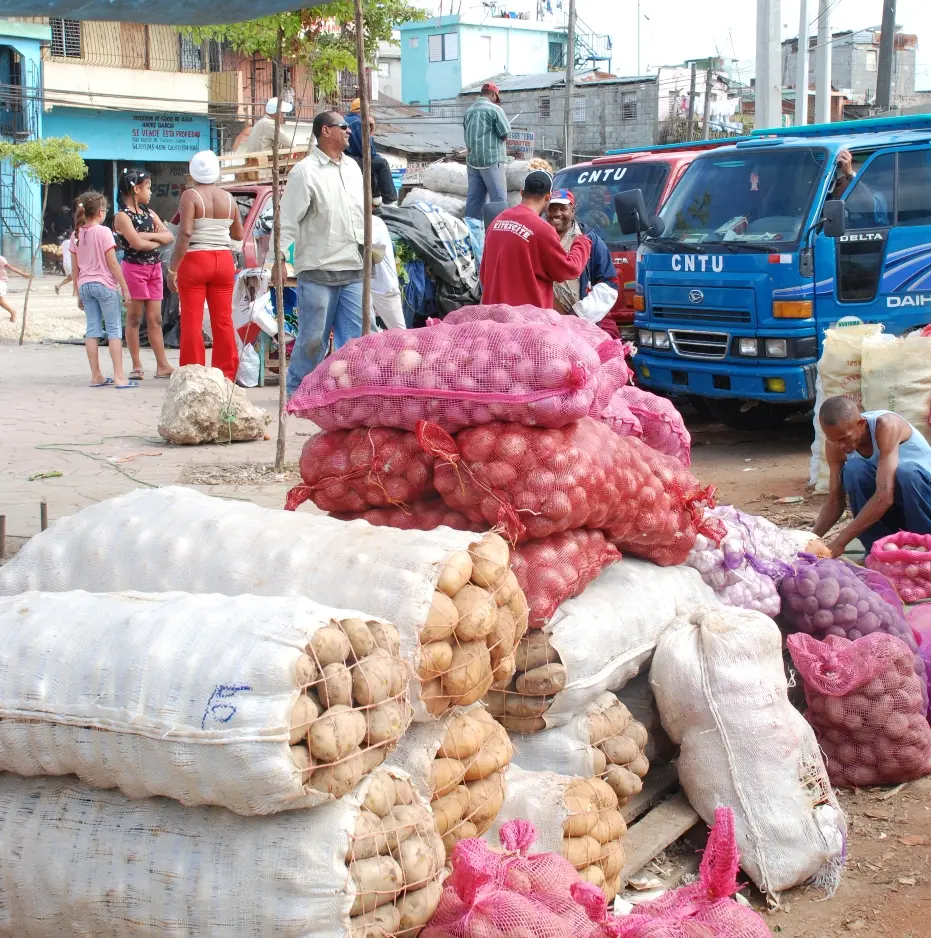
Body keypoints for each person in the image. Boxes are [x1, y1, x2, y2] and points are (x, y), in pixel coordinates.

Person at [280, 109, 365, 397]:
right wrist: (278, 257)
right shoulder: (305, 171)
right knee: (313, 339)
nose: (349, 131)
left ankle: (345, 396)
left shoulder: (353, 168)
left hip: (353, 267)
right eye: (343, 126)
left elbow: (362, 215)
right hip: (317, 268)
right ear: (326, 131)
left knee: (354, 341)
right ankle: (298, 392)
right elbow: (288, 218)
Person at [813, 396, 931, 557]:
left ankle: (925, 547)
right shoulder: (834, 445)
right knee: (853, 470)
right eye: (833, 439)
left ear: (861, 424)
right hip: (896, 506)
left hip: (923, 501)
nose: (840, 445)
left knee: (906, 473)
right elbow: (835, 502)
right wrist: (810, 539)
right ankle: (878, 551)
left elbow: (884, 495)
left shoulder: (886, 426)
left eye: (845, 438)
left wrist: (841, 541)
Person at [166, 150, 243, 382]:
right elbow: (238, 233)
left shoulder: (190, 196)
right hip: (223, 260)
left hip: (196, 260)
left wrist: (173, 269)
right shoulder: (229, 198)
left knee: (192, 318)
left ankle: (193, 374)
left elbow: (185, 233)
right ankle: (226, 375)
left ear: (193, 172)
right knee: (223, 319)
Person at [480, 170, 591, 308]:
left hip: (494, 318)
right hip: (527, 322)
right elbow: (568, 269)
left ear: (521, 192)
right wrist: (582, 243)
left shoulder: (496, 223)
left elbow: (483, 274)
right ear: (548, 196)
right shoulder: (543, 230)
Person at [113, 167, 175, 381]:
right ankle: (136, 365)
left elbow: (168, 236)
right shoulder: (122, 216)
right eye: (148, 188)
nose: (150, 192)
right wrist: (153, 239)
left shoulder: (149, 213)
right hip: (134, 270)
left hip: (154, 269)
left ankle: (162, 365)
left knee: (155, 319)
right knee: (134, 318)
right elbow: (136, 244)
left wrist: (146, 235)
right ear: (136, 189)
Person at [70, 190, 135, 388]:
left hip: (85, 285)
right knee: (114, 329)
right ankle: (119, 377)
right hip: (104, 285)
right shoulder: (104, 232)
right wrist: (124, 288)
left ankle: (96, 375)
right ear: (100, 212)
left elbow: (75, 267)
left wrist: (77, 292)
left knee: (92, 330)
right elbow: (113, 264)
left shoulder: (76, 234)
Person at [547, 187, 619, 330]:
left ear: (573, 210)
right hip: (547, 323)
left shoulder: (590, 240)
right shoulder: (539, 238)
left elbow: (609, 285)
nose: (557, 214)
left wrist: (579, 314)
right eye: (552, 209)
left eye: (563, 209)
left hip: (581, 324)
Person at [463, 82, 511, 220]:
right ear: (493, 94)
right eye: (496, 97)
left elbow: (466, 134)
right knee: (499, 200)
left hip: (473, 161)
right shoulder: (495, 110)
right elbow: (504, 134)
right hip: (491, 160)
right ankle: (498, 233)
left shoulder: (469, 111)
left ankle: (472, 233)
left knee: (474, 200)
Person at [346, 99, 397, 205]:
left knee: (375, 162)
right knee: (382, 163)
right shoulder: (359, 122)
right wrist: (371, 130)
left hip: (347, 157)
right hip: (351, 159)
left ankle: (375, 196)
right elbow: (368, 151)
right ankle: (389, 199)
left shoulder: (347, 119)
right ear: (366, 110)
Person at [370, 211, 404, 330]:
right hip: (364, 287)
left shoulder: (375, 223)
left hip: (384, 288)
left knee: (400, 333)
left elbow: (366, 246)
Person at [0, 252, 32, 323]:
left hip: (1, 282)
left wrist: (23, 274)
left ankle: (13, 312)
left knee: (1, 301)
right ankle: (12, 312)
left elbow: (11, 268)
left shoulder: (1, 259)